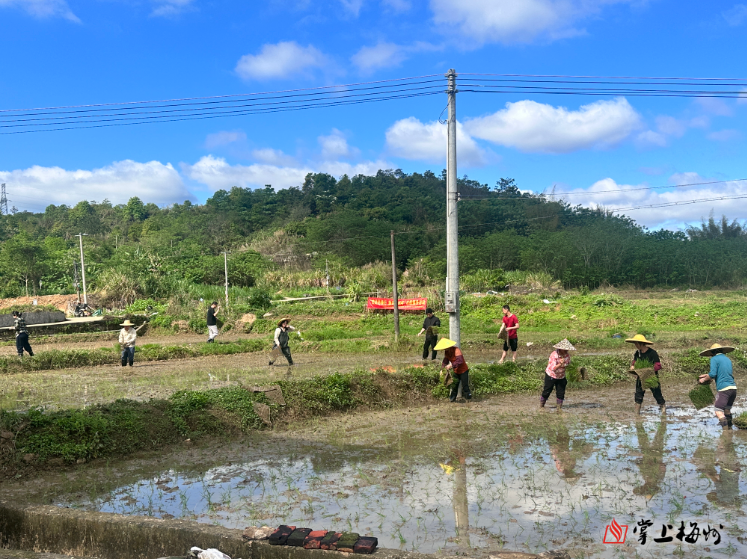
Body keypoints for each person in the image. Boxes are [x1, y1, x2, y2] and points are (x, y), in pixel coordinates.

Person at [698, 343, 737, 430]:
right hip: (733, 388)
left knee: (718, 411)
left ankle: (725, 433)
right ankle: (730, 429)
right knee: (727, 410)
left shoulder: (714, 359)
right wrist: (707, 376)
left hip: (724, 389)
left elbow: (713, 374)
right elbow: (722, 373)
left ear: (712, 352)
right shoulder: (727, 359)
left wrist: (703, 380)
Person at [626, 334, 666, 415]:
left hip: (651, 377)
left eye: (637, 343)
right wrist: (633, 367)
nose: (635, 345)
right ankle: (637, 414)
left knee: (657, 394)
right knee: (638, 395)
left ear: (641, 343)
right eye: (635, 343)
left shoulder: (652, 353)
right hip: (641, 377)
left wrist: (647, 370)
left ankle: (663, 410)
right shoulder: (637, 353)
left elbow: (658, 365)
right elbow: (634, 362)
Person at [540, 339, 576, 410]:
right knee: (547, 391)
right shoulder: (554, 355)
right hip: (551, 375)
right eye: (565, 349)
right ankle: (541, 406)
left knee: (561, 393)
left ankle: (559, 408)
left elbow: (568, 364)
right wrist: (560, 364)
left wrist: (565, 364)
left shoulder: (567, 355)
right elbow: (553, 368)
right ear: (560, 349)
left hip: (561, 376)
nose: (566, 350)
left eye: (567, 349)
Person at [435, 338, 472, 402]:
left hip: (463, 370)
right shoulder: (447, 352)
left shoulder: (456, 350)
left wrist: (451, 365)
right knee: (454, 385)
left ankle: (469, 400)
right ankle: (452, 399)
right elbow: (445, 361)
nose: (444, 349)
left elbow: (460, 361)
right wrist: (442, 369)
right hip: (456, 371)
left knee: (465, 386)